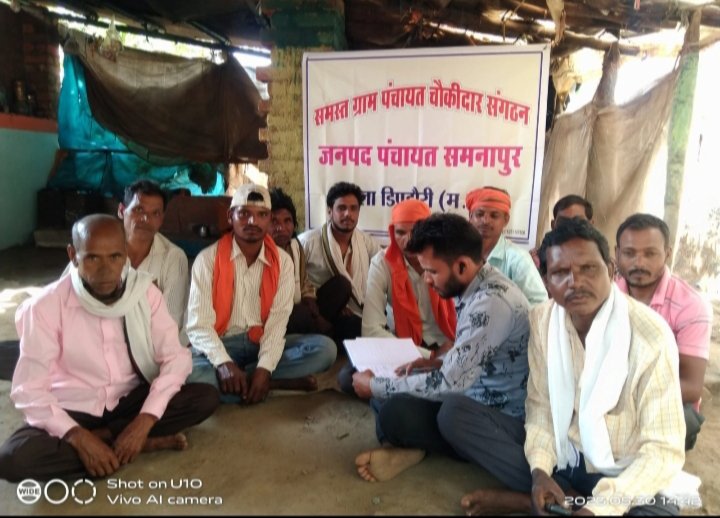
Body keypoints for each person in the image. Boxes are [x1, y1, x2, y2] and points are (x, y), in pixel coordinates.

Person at [461, 218, 686, 516]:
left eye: (588, 269)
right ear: (546, 282)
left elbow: (663, 449)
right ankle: (555, 494)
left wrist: (600, 509)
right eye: (560, 273)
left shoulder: (651, 335)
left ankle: (544, 502)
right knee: (455, 414)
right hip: (564, 456)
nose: (575, 282)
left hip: (619, 467)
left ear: (611, 270)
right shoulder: (542, 320)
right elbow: (541, 407)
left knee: (660, 509)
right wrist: (540, 471)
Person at [0, 214, 219, 482]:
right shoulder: (45, 306)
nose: (105, 270)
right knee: (13, 459)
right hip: (72, 406)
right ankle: (124, 446)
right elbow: (29, 390)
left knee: (204, 398)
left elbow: (175, 358)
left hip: (128, 399)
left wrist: (144, 421)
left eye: (115, 257)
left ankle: (113, 441)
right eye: (92, 258)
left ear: (126, 254)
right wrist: (77, 436)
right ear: (73, 256)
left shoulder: (144, 293)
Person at [352, 213, 530, 484]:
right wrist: (438, 361)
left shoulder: (492, 302)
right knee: (393, 388)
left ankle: (416, 446)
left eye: (432, 272)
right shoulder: (475, 284)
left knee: (434, 412)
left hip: (495, 416)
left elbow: (451, 384)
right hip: (469, 390)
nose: (426, 279)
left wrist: (375, 385)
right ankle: (407, 448)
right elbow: (471, 353)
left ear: (462, 266)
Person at [185, 184, 337, 404]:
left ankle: (247, 382)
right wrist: (224, 363)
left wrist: (264, 368)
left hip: (262, 341)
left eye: (262, 215)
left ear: (268, 220)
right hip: (223, 342)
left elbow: (277, 322)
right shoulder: (207, 260)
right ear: (230, 217)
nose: (252, 222)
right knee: (187, 373)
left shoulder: (282, 262)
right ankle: (270, 384)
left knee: (325, 350)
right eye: (244, 213)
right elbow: (198, 325)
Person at [339, 199, 457, 394]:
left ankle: (401, 389)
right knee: (348, 377)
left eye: (416, 231)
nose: (408, 240)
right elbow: (371, 329)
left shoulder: (448, 260)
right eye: (400, 232)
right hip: (403, 345)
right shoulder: (382, 263)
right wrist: (429, 355)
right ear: (392, 232)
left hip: (446, 344)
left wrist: (443, 353)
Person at [615, 213, 711, 450]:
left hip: (667, 402)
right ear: (617, 254)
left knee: (665, 433)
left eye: (650, 254)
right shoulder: (607, 296)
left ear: (667, 254)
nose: (639, 263)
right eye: (629, 253)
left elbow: (691, 387)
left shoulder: (691, 305)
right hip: (612, 395)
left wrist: (627, 398)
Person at [299, 181, 382, 344]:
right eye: (341, 208)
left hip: (351, 312)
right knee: (341, 285)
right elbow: (292, 283)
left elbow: (384, 269)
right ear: (330, 211)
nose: (348, 214)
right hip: (315, 310)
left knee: (362, 330)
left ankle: (328, 340)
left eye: (353, 208)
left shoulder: (366, 242)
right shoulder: (308, 242)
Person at [118, 180, 190, 343]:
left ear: (162, 219)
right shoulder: (101, 249)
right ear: (121, 211)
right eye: (138, 209)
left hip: (152, 346)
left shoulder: (174, 257)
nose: (146, 219)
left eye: (155, 213)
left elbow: (170, 322)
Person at [465, 186, 547, 306]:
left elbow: (540, 304)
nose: (485, 221)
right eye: (480, 214)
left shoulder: (517, 259)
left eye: (494, 216)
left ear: (506, 220)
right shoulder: (459, 254)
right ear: (470, 217)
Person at [269, 187, 333, 336]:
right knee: (302, 315)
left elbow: (304, 283)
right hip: (274, 316)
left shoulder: (295, 246)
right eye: (274, 221)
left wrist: (313, 309)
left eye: (287, 221)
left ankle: (318, 329)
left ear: (294, 224)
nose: (281, 228)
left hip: (299, 305)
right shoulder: (260, 251)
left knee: (341, 286)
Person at [531, 194, 594, 268]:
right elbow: (542, 262)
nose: (570, 227)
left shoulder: (597, 245)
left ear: (590, 224)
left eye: (578, 221)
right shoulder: (550, 240)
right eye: (563, 222)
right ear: (553, 225)